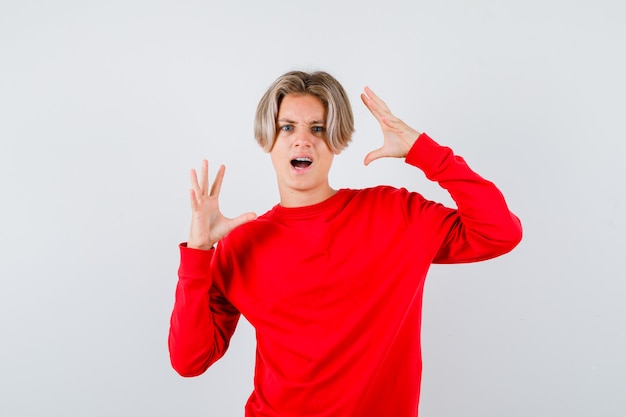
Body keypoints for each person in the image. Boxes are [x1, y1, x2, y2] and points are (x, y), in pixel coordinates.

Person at [168, 70, 522, 416]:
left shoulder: (395, 214)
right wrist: (198, 253)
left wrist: (423, 152)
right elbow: (189, 360)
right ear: (269, 141)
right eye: (287, 127)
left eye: (317, 129)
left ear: (336, 140)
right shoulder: (242, 245)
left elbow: (499, 231)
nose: (301, 140)